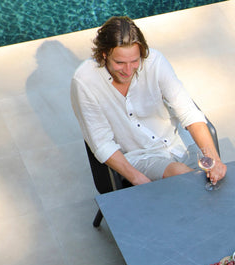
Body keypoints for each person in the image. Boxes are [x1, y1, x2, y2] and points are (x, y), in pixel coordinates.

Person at [70, 15, 226, 187]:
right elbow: (101, 144)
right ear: (104, 54)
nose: (128, 70)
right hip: (141, 157)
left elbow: (188, 111)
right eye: (120, 62)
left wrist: (214, 160)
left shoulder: (155, 62)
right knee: (184, 177)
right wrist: (141, 182)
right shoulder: (85, 81)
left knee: (215, 184)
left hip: (178, 142)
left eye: (135, 61)